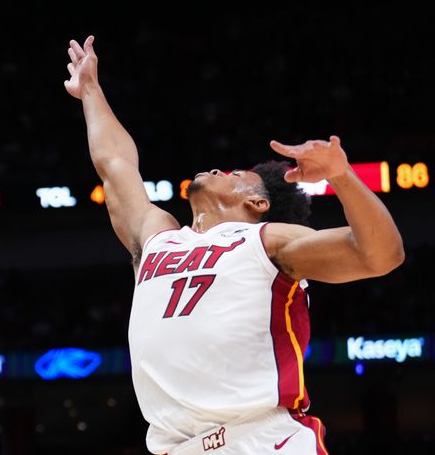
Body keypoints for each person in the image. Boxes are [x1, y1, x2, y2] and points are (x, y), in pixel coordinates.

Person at [63, 35, 405, 455]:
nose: (214, 168)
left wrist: (342, 177)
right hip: (179, 447)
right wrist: (91, 92)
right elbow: (115, 165)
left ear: (257, 202)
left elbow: (382, 255)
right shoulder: (158, 236)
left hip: (262, 440)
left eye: (232, 172)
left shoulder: (268, 240)